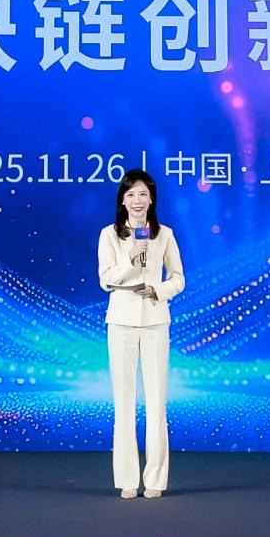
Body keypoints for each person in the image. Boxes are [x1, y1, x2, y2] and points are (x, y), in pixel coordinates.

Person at [97, 168, 184, 498]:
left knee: (157, 404)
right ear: (122, 200)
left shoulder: (164, 235)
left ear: (151, 200)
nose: (137, 200)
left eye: (143, 194)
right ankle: (128, 480)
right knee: (124, 404)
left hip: (155, 322)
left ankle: (157, 480)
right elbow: (106, 279)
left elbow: (178, 278)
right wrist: (130, 258)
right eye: (131, 194)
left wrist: (159, 290)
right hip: (120, 321)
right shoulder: (109, 235)